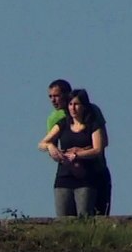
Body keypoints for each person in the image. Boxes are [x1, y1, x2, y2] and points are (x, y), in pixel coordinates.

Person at [43, 79, 113, 215]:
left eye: (56, 96)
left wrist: (79, 152)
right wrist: (53, 150)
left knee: (96, 214)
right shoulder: (55, 118)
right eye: (50, 96)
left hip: (96, 170)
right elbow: (50, 146)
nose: (53, 100)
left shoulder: (91, 110)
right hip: (67, 173)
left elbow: (102, 143)